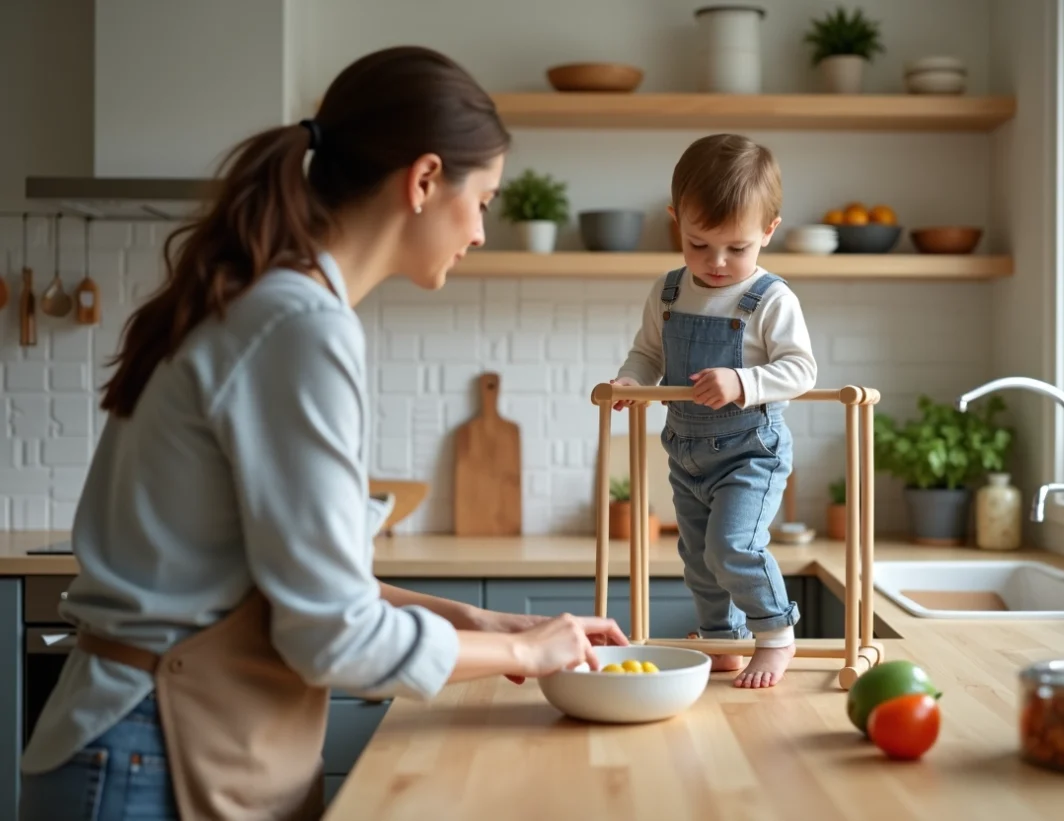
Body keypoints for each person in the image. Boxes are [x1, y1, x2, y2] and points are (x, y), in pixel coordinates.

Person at [18, 45, 627, 821]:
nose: (480, 232)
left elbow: (288, 587)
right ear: (425, 179)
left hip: (148, 742)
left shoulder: (263, 300)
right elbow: (332, 638)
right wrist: (523, 652)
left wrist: (472, 619)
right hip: (152, 753)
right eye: (485, 201)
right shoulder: (299, 327)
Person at [611, 134, 818, 690]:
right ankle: (722, 640)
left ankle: (775, 636)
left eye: (737, 248)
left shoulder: (771, 299)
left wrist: (745, 381)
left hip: (752, 451)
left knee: (734, 548)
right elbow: (648, 353)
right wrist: (632, 380)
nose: (717, 262)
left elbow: (802, 371)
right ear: (676, 221)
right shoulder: (669, 292)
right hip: (686, 452)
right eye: (698, 243)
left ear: (769, 231)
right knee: (699, 558)